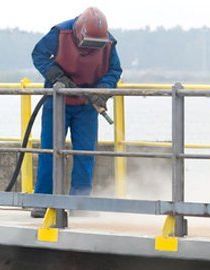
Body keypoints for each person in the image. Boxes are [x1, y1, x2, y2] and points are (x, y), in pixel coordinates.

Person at [31, 7, 122, 218]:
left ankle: (79, 202)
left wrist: (102, 90)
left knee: (85, 153)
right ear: (78, 33)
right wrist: (56, 75)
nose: (90, 49)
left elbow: (114, 70)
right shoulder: (60, 33)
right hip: (58, 101)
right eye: (88, 44)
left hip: (87, 105)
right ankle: (43, 201)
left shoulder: (109, 43)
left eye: (95, 46)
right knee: (50, 152)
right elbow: (39, 54)